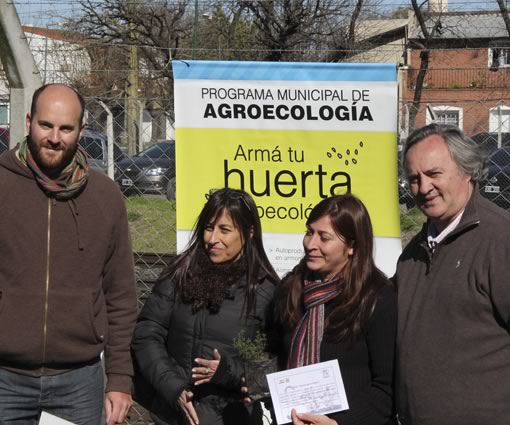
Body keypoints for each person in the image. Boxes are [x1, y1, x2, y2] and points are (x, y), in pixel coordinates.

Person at [0, 84, 138, 424]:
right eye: (46, 125)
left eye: (66, 128)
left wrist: (120, 378)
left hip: (78, 382)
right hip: (4, 378)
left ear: (80, 130)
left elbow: (120, 294)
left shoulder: (104, 197)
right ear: (29, 121)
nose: (54, 137)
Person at [131, 188, 279, 425]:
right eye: (209, 228)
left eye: (225, 230)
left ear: (249, 233)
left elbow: (276, 364)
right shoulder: (180, 273)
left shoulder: (266, 290)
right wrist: (173, 388)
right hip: (173, 416)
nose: (212, 239)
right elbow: (147, 333)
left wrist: (229, 373)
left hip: (232, 418)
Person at [395, 123, 510, 425]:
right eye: (414, 179)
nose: (423, 188)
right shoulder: (412, 254)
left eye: (434, 174)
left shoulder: (500, 240)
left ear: (467, 170)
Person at [272, 194, 397, 425]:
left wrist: (339, 423)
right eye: (310, 232)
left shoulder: (377, 298)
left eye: (324, 237)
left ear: (351, 246)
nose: (311, 244)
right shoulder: (290, 290)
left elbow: (386, 388)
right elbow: (273, 357)